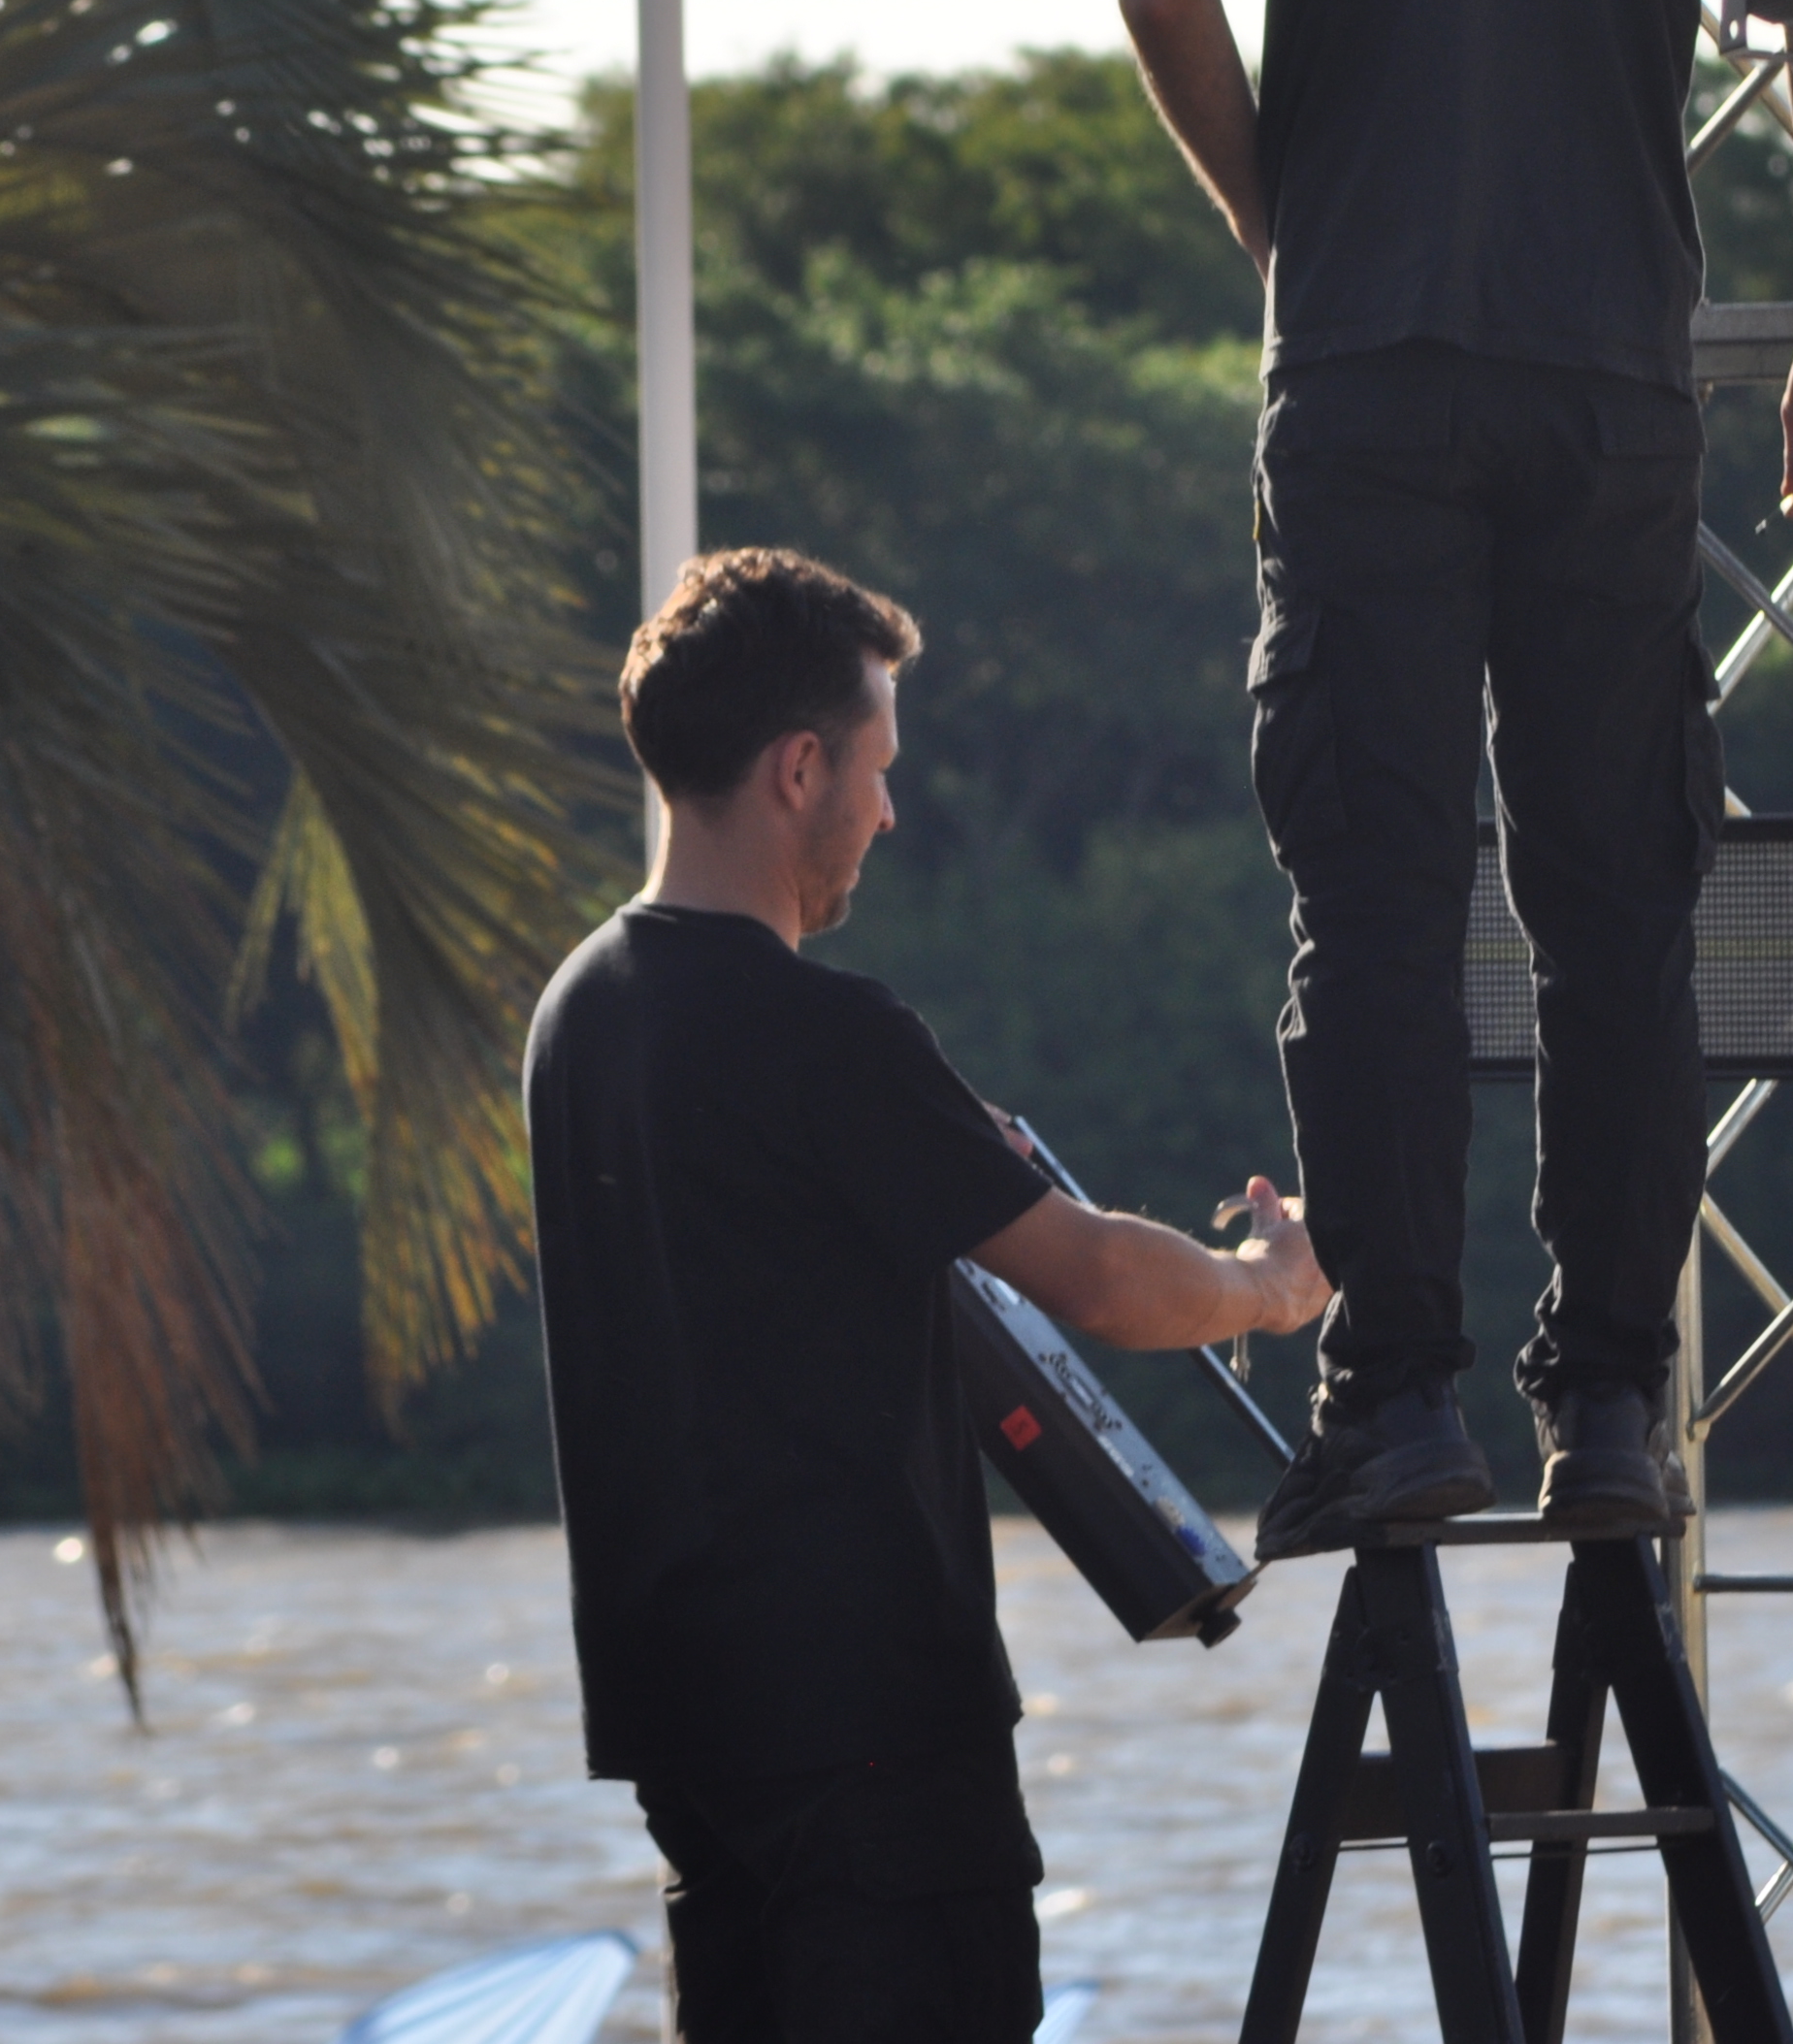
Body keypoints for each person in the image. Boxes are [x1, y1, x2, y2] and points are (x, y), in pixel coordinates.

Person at [1105, 0, 1793, 1557]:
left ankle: (1393, 1398)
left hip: (1370, 373)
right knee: (1615, 904)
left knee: (1374, 893)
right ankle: (1613, 1404)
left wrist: (1284, 230)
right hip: (1608, 385)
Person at [526, 546, 1332, 2044]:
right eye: (880, 769)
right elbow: (1098, 1279)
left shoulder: (575, 1014)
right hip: (872, 1731)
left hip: (687, 1728)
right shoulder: (824, 1034)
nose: (890, 813)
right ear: (799, 768)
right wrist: (1270, 1286)